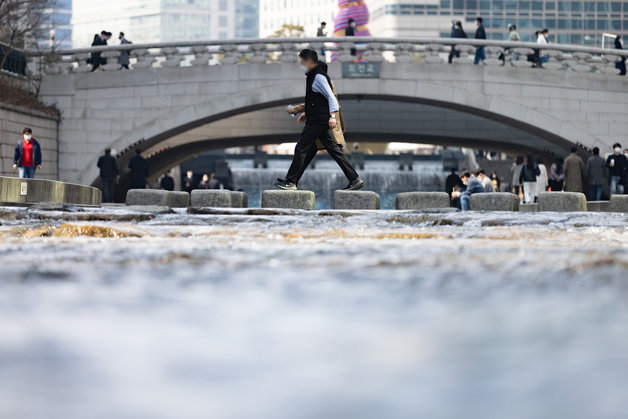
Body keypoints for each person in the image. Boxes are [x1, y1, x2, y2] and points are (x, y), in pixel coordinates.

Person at [277, 49, 363, 191]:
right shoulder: (315, 76)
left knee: (301, 147)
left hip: (319, 121)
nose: (301, 65)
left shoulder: (318, 77)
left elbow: (331, 98)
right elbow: (317, 101)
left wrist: (332, 117)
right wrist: (306, 112)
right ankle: (354, 179)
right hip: (319, 119)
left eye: (303, 62)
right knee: (321, 151)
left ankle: (291, 182)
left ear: (310, 62)